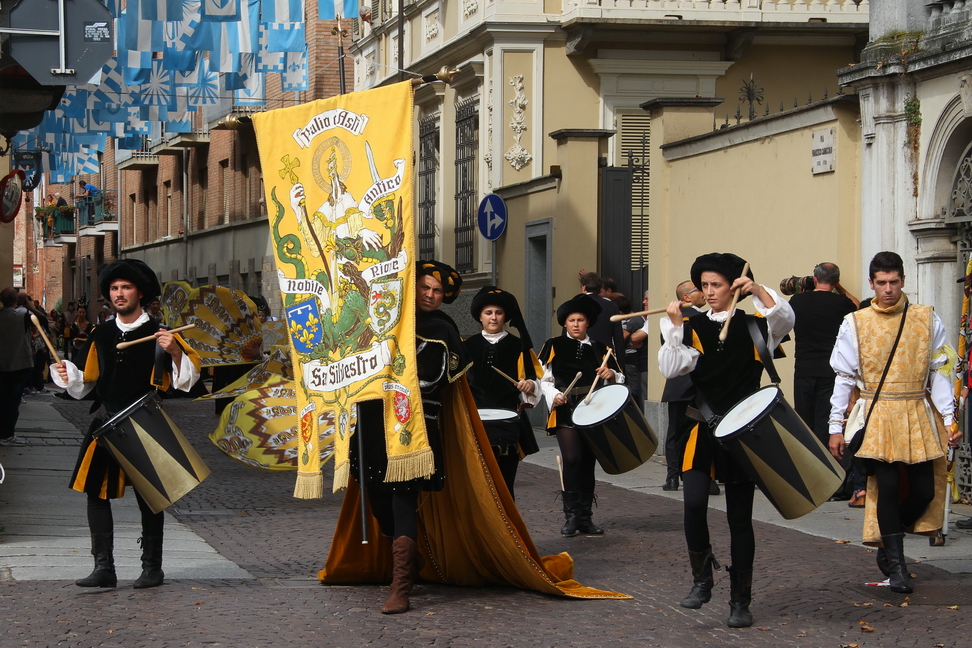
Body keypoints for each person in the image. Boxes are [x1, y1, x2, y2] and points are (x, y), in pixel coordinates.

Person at [658, 253, 794, 628]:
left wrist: (758, 292)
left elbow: (785, 318)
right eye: (704, 285)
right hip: (701, 427)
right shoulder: (692, 326)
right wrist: (674, 328)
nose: (708, 292)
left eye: (716, 284)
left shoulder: (755, 326)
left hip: (743, 432)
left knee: (739, 518)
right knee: (693, 504)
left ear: (733, 286)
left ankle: (740, 600)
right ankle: (702, 582)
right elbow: (672, 368)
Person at [52, 259, 201, 590]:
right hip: (106, 422)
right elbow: (84, 381)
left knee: (151, 495)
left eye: (126, 288)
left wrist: (175, 352)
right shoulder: (100, 334)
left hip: (144, 420)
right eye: (114, 289)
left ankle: (152, 568)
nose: (119, 294)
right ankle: (103, 567)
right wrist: (67, 375)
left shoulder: (160, 333)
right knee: (95, 491)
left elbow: (188, 381)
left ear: (140, 293)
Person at [827, 251, 961, 594]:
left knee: (924, 490)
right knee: (886, 488)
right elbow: (843, 378)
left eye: (894, 282)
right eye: (881, 282)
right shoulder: (855, 322)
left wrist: (948, 417)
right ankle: (898, 568)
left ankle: (889, 542)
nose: (888, 288)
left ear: (903, 281)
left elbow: (939, 370)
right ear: (871, 283)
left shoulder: (926, 318)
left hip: (916, 410)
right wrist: (836, 426)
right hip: (876, 413)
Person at [351, 260, 471, 614]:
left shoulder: (443, 328)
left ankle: (400, 587)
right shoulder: (381, 320)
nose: (430, 295)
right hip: (373, 424)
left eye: (436, 291)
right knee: (378, 503)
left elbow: (435, 378)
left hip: (414, 427)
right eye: (424, 288)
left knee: (403, 501)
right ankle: (412, 560)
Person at [539, 294, 625, 537]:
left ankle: (585, 517)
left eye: (581, 320)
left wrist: (610, 374)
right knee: (572, 458)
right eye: (571, 320)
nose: (576, 324)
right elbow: (542, 378)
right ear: (565, 323)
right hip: (566, 409)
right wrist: (554, 394)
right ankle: (572, 515)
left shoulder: (602, 348)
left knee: (588, 462)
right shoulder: (553, 344)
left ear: (588, 323)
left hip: (593, 410)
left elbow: (620, 378)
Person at [463, 286, 541, 499]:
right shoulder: (466, 347)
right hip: (475, 420)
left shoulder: (519, 347)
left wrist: (530, 386)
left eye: (498, 313)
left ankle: (507, 527)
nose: (493, 318)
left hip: (507, 421)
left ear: (505, 316)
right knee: (477, 482)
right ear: (480, 316)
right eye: (488, 313)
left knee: (505, 482)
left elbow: (535, 380)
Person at [645, 280, 706, 492]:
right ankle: (694, 476)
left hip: (682, 385)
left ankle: (675, 476)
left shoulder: (675, 320)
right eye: (700, 289)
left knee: (678, 432)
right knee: (691, 431)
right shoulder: (681, 320)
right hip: (692, 383)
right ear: (687, 297)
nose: (705, 292)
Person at [0, 287, 34, 446]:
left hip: (1, 365)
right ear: (16, 300)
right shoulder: (24, 315)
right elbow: (42, 322)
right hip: (19, 365)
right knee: (13, 403)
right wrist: (29, 306)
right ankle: (8, 434)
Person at [576, 271, 625, 357]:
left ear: (584, 288)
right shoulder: (611, 306)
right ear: (600, 289)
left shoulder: (575, 304)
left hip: (580, 354)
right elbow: (618, 338)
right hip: (604, 356)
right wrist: (620, 366)